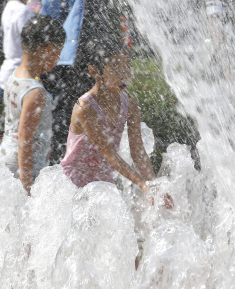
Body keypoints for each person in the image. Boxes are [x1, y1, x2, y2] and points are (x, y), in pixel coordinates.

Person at [60, 38, 173, 208]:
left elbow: (138, 151)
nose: (124, 74)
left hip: (105, 184)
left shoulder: (130, 103)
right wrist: (142, 185)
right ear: (94, 71)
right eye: (115, 67)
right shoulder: (85, 107)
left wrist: (153, 185)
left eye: (127, 66)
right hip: (74, 183)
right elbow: (110, 154)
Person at [40, 0, 117, 163]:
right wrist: (48, 53)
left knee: (88, 108)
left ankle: (84, 159)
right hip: (67, 58)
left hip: (91, 58)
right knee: (65, 111)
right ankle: (59, 162)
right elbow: (47, 15)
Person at [0, 15, 65, 193]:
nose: (58, 59)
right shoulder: (35, 92)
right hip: (25, 167)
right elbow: (25, 139)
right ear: (48, 49)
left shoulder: (14, 76)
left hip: (6, 155)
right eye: (58, 52)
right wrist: (27, 184)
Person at [1, 0, 38, 95]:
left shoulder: (9, 7)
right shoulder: (24, 12)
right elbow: (32, 45)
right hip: (19, 77)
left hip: (6, 74)